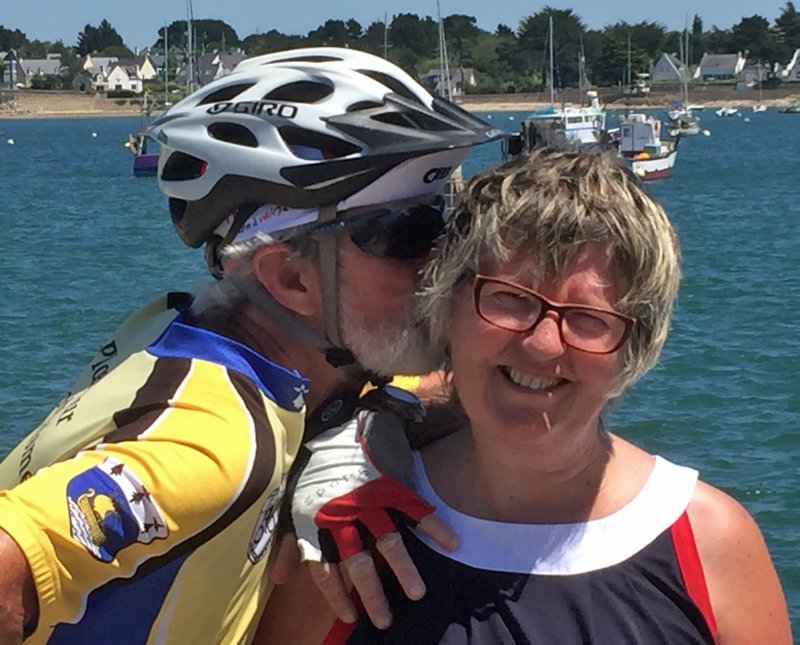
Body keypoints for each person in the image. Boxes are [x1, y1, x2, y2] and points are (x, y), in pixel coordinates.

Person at [0, 48, 503, 643]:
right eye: (411, 233)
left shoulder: (177, 328)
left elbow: (412, 376)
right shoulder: (218, 447)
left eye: (451, 220)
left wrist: (369, 419)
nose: (448, 259)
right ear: (290, 279)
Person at [256, 148, 792, 644]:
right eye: (509, 299)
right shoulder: (351, 536)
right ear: (444, 305)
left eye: (589, 319)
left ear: (634, 348)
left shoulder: (709, 545)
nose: (542, 344)